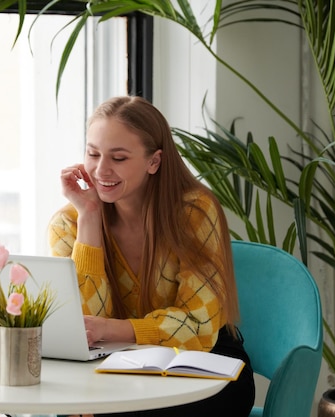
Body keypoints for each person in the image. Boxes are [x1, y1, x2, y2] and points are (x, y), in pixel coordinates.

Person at [48, 96, 255, 417]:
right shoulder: (70, 222)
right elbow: (83, 330)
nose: (101, 170)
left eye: (118, 157)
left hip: (206, 360)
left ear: (154, 162)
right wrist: (89, 216)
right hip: (115, 365)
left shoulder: (195, 212)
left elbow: (199, 327)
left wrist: (113, 330)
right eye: (93, 154)